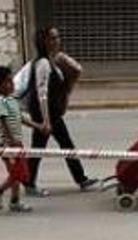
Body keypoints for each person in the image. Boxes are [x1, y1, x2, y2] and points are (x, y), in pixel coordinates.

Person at [18, 26, 99, 197]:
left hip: (51, 112)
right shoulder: (43, 64)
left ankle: (80, 179)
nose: (57, 41)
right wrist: (45, 121)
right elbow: (42, 93)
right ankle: (29, 183)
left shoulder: (51, 61)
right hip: (45, 113)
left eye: (57, 38)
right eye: (53, 38)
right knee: (39, 149)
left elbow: (75, 72)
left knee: (63, 145)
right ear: (44, 42)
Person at [0, 66, 40, 213]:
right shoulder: (0, 102)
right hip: (8, 145)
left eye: (12, 81)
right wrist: (11, 141)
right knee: (20, 173)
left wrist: (37, 126)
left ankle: (15, 201)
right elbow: (4, 122)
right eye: (7, 82)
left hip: (16, 143)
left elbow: (20, 118)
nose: (12, 84)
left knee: (16, 173)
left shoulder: (12, 100)